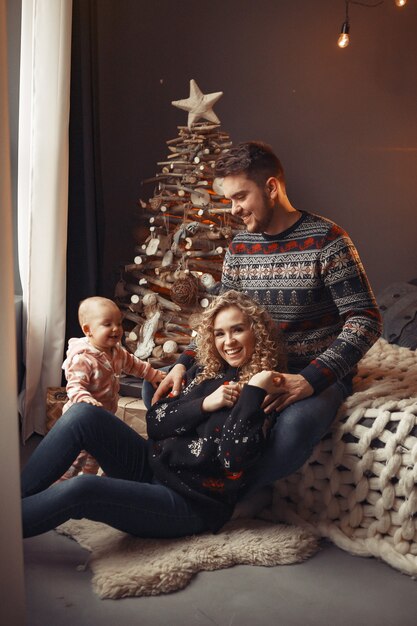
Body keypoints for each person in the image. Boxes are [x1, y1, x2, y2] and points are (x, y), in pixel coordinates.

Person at [152, 141, 382, 498]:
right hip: (246, 368)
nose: (233, 210)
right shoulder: (240, 248)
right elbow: (220, 317)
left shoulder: (328, 240)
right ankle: (185, 480)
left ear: (271, 188)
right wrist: (184, 362)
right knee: (161, 389)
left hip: (310, 370)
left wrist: (310, 380)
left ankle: (217, 497)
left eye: (240, 197)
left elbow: (365, 319)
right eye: (229, 199)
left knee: (294, 427)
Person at [21, 291, 286, 538]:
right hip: (151, 466)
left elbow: (233, 458)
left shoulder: (265, 393)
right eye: (219, 334)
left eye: (237, 330)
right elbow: (157, 422)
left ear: (257, 332)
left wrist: (254, 390)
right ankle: (13, 499)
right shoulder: (205, 372)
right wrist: (204, 404)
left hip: (188, 502)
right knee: (82, 415)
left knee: (81, 489)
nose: (228, 342)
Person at [59, 296, 165, 479]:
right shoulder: (83, 358)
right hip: (81, 421)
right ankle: (63, 486)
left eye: (119, 323)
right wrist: (84, 399)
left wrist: (152, 374)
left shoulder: (117, 352)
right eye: (107, 324)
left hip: (104, 417)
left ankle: (89, 482)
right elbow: (74, 386)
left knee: (96, 455)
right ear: (88, 330)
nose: (116, 329)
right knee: (76, 458)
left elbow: (135, 365)